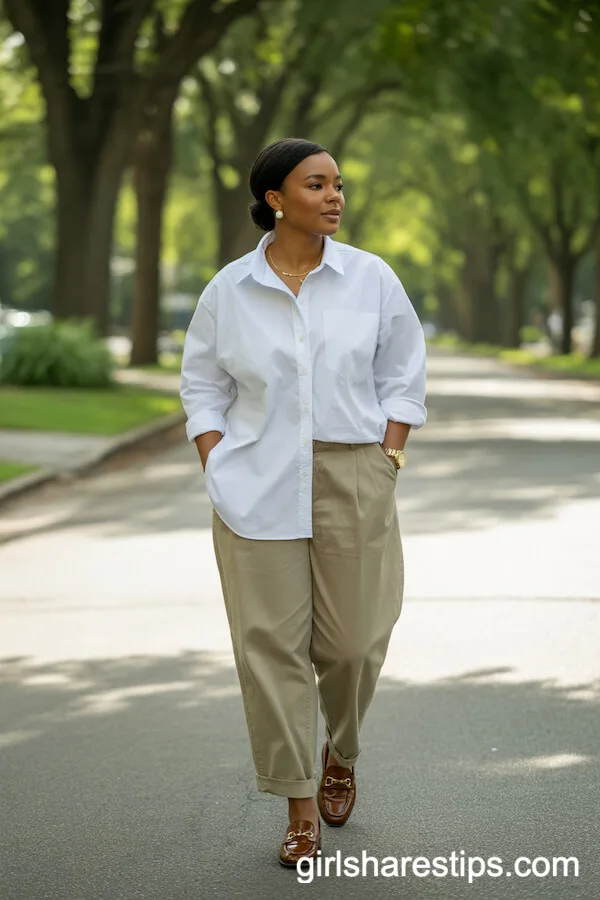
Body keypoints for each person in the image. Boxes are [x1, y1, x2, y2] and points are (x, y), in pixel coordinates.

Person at [180, 137, 427, 867]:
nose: (334, 196)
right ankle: (298, 807)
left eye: (338, 184)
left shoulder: (371, 279)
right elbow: (202, 384)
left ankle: (340, 751)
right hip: (256, 481)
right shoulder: (230, 290)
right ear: (276, 199)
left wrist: (388, 456)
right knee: (270, 649)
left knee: (353, 644)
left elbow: (403, 374)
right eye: (316, 184)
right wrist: (216, 459)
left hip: (353, 471)